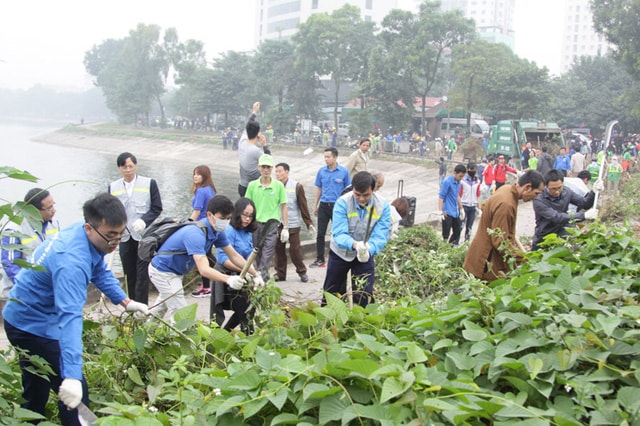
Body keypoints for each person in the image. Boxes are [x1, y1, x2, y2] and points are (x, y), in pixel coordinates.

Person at [2, 193, 150, 425]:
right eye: (110, 235)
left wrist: (125, 302)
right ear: (90, 228)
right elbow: (70, 319)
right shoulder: (71, 262)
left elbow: (99, 269)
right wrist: (71, 376)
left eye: (121, 234)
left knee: (36, 391)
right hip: (31, 325)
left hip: (25, 316)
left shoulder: (82, 234)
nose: (115, 242)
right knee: (76, 397)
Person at [148, 195, 262, 322]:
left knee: (161, 308)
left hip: (176, 272)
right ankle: (179, 339)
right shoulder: (195, 234)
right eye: (222, 218)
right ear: (209, 215)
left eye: (228, 218)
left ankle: (145, 330)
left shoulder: (217, 231)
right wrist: (228, 279)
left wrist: (255, 274)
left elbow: (234, 255)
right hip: (163, 271)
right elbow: (204, 270)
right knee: (181, 314)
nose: (225, 222)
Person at [322, 171, 391, 307]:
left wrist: (369, 248)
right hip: (340, 253)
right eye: (357, 194)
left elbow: (381, 235)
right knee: (333, 291)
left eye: (366, 195)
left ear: (373, 190)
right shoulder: (342, 203)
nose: (361, 199)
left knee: (364, 292)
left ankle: (361, 321)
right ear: (352, 189)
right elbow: (339, 232)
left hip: (365, 254)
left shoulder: (382, 206)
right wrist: (355, 245)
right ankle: (328, 322)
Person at [463, 170, 545, 281]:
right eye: (536, 193)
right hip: (485, 262)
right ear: (528, 187)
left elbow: (485, 206)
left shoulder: (506, 189)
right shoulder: (506, 204)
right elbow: (500, 243)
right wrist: (525, 258)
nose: (536, 198)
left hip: (480, 256)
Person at [109, 152, 163, 304]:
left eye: (130, 166)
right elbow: (110, 212)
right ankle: (132, 306)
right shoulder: (113, 187)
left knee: (142, 274)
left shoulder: (149, 183)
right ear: (119, 168)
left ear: (136, 166)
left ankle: (142, 308)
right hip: (124, 236)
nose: (128, 170)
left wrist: (144, 221)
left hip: (144, 237)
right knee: (129, 274)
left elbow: (156, 208)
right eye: (124, 167)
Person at [211, 198, 259, 333]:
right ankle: (248, 341)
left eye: (250, 216)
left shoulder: (246, 231)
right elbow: (223, 259)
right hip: (228, 276)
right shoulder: (229, 230)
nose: (247, 219)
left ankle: (225, 333)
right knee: (245, 314)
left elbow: (249, 253)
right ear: (237, 213)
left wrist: (253, 270)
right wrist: (247, 271)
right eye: (245, 214)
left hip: (243, 274)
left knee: (250, 308)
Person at [1, 188, 60, 297]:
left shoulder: (54, 223)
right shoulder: (14, 230)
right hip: (19, 292)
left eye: (53, 205)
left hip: (47, 289)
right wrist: (31, 287)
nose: (54, 210)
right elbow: (10, 265)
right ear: (33, 211)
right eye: (49, 208)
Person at [531, 169, 598, 251]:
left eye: (559, 187)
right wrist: (583, 216)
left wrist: (594, 192)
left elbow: (584, 203)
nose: (557, 192)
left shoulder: (567, 192)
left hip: (563, 233)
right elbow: (557, 217)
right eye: (553, 189)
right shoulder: (538, 199)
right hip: (544, 236)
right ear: (546, 186)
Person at [245, 154, 288, 280]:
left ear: (272, 168)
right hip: (255, 224)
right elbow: (247, 205)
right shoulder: (252, 185)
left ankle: (262, 276)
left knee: (267, 253)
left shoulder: (278, 186)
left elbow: (283, 206)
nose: (266, 169)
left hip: (272, 224)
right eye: (263, 167)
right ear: (259, 167)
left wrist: (286, 227)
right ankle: (262, 277)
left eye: (268, 167)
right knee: (256, 252)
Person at [273, 162, 315, 283]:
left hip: (293, 223)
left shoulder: (297, 186)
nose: (277, 174)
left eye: (280, 171)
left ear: (287, 172)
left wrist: (308, 223)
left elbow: (303, 206)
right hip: (278, 223)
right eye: (276, 171)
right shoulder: (274, 186)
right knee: (279, 249)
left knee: (295, 250)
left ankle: (302, 271)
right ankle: (280, 273)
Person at [311, 147, 351, 268]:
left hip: (337, 206)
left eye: (328, 157)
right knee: (320, 234)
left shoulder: (343, 172)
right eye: (325, 157)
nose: (326, 159)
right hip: (324, 204)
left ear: (335, 157)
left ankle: (338, 258)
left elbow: (348, 190)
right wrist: (315, 205)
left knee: (337, 232)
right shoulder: (321, 171)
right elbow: (319, 188)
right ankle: (320, 259)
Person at [189, 165, 218, 298]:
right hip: (211, 226)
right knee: (207, 255)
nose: (195, 176)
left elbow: (197, 211)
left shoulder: (201, 191)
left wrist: (187, 224)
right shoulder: (210, 189)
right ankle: (217, 280)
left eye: (198, 174)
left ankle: (207, 287)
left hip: (201, 226)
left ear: (204, 176)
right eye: (194, 174)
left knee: (202, 257)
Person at [238, 101, 270, 197]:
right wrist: (264, 145)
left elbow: (248, 124)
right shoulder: (256, 151)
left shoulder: (242, 142)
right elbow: (268, 162)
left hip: (242, 186)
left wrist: (254, 112)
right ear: (258, 133)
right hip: (252, 188)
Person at [438, 164, 466, 245]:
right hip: (447, 212)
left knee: (457, 231)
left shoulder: (459, 182)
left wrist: (461, 208)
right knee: (446, 234)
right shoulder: (447, 182)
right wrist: (440, 211)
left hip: (455, 211)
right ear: (455, 173)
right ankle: (444, 248)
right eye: (460, 176)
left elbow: (457, 195)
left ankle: (449, 246)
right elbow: (441, 196)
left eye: (462, 176)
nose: (461, 178)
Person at [459, 162, 481, 242]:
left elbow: (478, 194)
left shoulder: (477, 181)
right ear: (468, 169)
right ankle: (456, 242)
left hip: (473, 206)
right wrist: (460, 207)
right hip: (464, 205)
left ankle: (466, 242)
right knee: (460, 225)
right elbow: (459, 194)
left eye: (475, 170)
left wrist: (479, 208)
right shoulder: (462, 181)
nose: (473, 171)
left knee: (469, 226)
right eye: (472, 169)